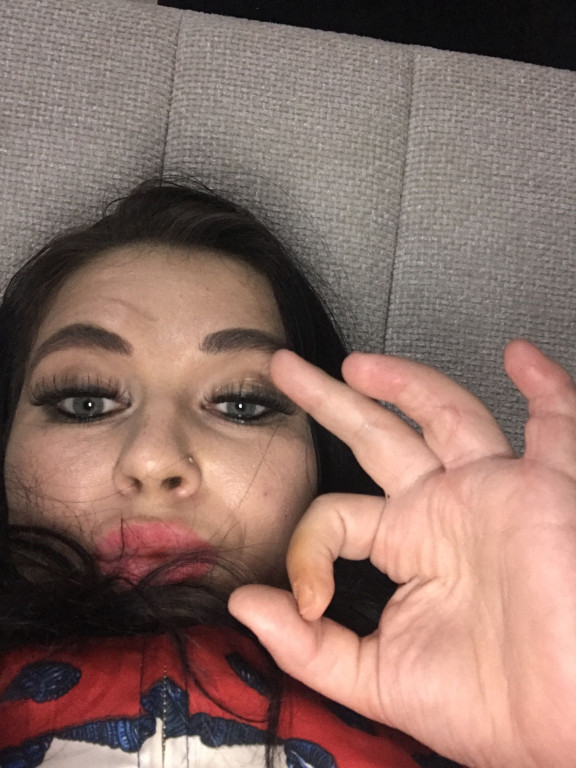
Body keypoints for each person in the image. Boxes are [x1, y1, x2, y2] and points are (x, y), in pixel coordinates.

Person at [0, 178, 575, 767]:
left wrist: (550, 729)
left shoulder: (458, 698)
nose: (153, 460)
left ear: (323, 461)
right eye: (86, 401)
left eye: (241, 404)